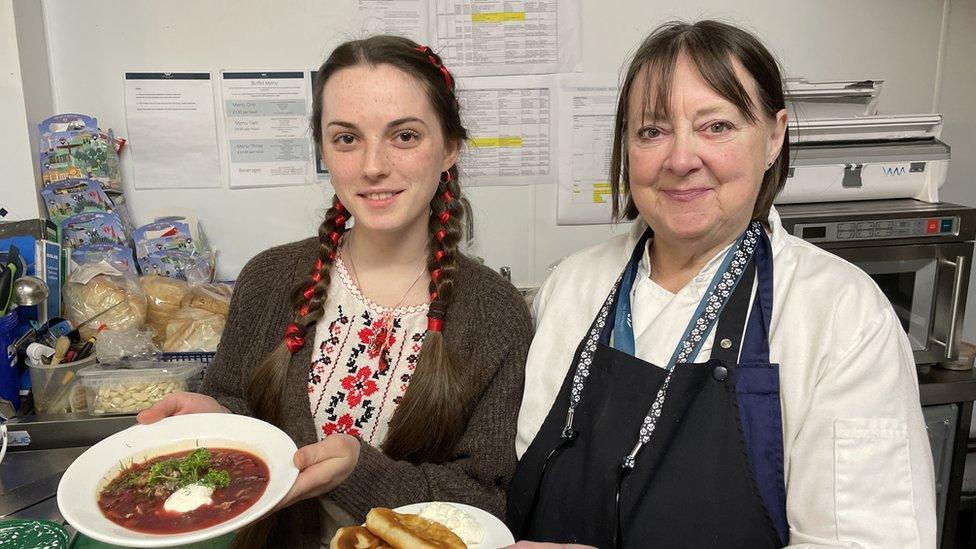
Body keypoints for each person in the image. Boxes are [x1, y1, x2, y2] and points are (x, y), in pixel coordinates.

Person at [506, 20, 936, 549]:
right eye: (652, 131)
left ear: (774, 136)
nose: (681, 159)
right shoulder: (572, 287)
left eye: (717, 127)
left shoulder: (840, 313)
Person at [139, 35, 532, 548]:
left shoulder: (496, 314)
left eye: (405, 136)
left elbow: (489, 499)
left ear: (450, 148)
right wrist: (218, 422)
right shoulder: (270, 279)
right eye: (347, 138)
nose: (372, 166)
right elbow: (239, 409)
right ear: (324, 150)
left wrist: (358, 471)